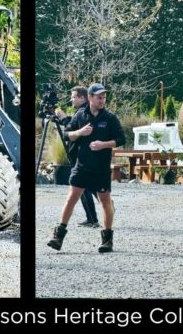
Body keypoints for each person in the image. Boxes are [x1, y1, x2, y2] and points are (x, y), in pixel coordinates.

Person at [47, 83, 126, 253]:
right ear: (90, 97)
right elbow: (67, 135)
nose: (102, 99)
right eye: (99, 97)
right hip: (81, 166)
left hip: (101, 168)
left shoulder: (110, 118)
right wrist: (80, 132)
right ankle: (58, 237)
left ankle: (107, 240)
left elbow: (121, 139)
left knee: (105, 202)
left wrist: (103, 144)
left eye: (104, 97)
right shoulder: (80, 115)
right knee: (71, 199)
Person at [55, 86, 100, 228]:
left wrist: (62, 119)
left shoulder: (83, 112)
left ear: (82, 97)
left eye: (73, 96)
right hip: (87, 156)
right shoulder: (84, 111)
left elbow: (71, 132)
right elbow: (75, 126)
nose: (71, 99)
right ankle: (104, 208)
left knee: (82, 187)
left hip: (81, 156)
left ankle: (92, 219)